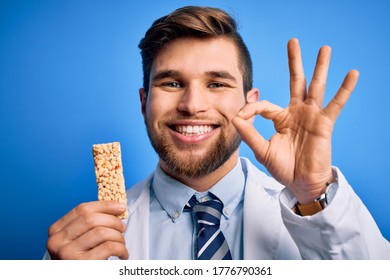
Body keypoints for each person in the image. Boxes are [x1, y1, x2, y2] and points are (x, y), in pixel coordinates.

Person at [45, 6, 390, 260]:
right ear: (143, 102)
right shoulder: (82, 248)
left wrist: (313, 193)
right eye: (172, 82)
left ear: (250, 104)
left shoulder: (317, 210)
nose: (192, 105)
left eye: (216, 83)